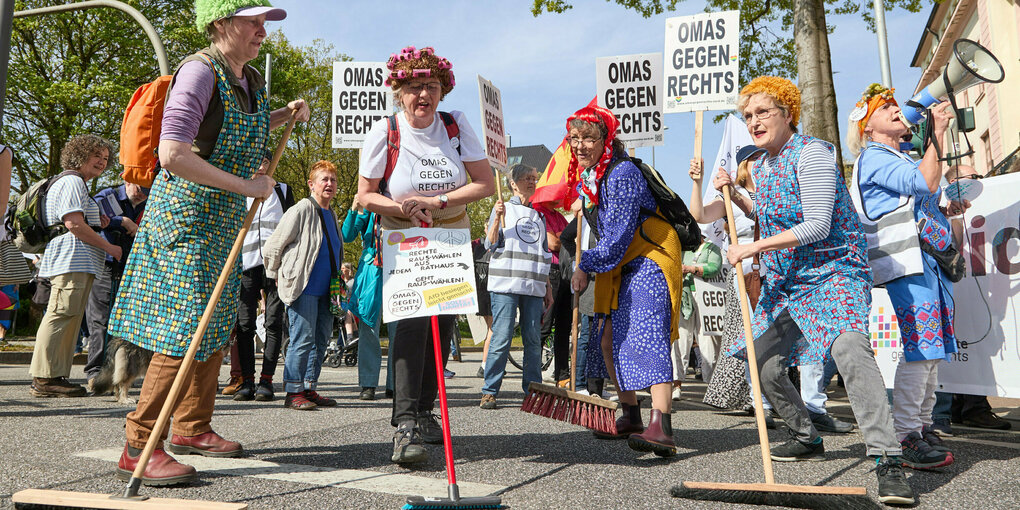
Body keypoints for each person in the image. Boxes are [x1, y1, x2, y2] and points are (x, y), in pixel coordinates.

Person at [109, 0, 309, 486]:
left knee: (215, 321)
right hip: (184, 222)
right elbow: (173, 153)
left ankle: (191, 426)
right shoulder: (200, 73)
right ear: (221, 22)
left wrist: (285, 113)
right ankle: (139, 444)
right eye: (253, 20)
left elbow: (239, 128)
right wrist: (246, 187)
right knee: (182, 329)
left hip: (219, 223)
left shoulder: (250, 79)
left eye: (266, 22)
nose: (263, 30)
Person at [721, 76, 913, 505]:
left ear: (788, 113)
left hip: (833, 273)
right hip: (787, 283)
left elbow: (816, 225)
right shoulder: (765, 166)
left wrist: (752, 246)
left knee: (849, 348)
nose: (753, 121)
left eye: (763, 112)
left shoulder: (814, 155)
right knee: (764, 364)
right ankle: (805, 435)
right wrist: (735, 196)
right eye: (748, 115)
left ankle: (888, 460)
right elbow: (769, 211)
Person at [357, 45, 494, 465]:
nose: (424, 95)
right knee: (412, 328)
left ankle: (426, 410)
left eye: (432, 87)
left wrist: (436, 201)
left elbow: (484, 184)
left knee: (443, 326)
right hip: (405, 241)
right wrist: (403, 206)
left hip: (449, 238)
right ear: (399, 91)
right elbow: (364, 197)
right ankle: (405, 424)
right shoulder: (385, 131)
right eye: (415, 87)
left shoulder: (456, 126)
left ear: (442, 91)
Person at [846, 83, 959, 469]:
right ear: (867, 128)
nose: (896, 112)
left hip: (924, 261)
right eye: (885, 109)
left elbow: (926, 189)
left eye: (897, 108)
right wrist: (938, 132)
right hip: (906, 264)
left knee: (934, 351)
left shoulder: (893, 151)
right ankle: (907, 434)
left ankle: (923, 425)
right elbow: (925, 182)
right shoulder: (876, 156)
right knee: (923, 347)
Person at [567, 101, 683, 457]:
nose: (580, 145)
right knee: (606, 339)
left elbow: (615, 239)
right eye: (575, 138)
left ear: (606, 139)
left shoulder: (622, 174)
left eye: (589, 138)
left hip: (651, 253)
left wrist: (585, 264)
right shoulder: (591, 180)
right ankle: (630, 414)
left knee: (645, 331)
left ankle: (660, 424)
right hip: (619, 260)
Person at [29, 135, 121, 398]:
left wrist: (97, 221)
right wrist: (109, 248)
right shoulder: (72, 181)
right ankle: (45, 379)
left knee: (67, 317)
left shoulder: (74, 183)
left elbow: (77, 221)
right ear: (79, 155)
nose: (102, 162)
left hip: (75, 260)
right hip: (71, 259)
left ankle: (55, 375)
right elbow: (73, 224)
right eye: (96, 156)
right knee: (61, 315)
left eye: (105, 158)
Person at [263, 160, 341, 411]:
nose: (329, 184)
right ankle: (293, 390)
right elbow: (274, 245)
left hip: (329, 290)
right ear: (311, 184)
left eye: (332, 180)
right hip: (304, 287)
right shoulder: (301, 209)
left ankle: (309, 386)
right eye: (324, 179)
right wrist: (274, 274)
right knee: (302, 339)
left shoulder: (332, 213)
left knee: (320, 340)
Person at [480, 164, 554, 410]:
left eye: (534, 178)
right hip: (505, 285)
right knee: (501, 337)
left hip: (533, 287)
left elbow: (543, 255)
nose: (532, 182)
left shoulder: (540, 216)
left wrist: (548, 287)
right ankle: (490, 391)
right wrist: (496, 220)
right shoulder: (503, 209)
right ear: (513, 183)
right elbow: (489, 244)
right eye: (527, 178)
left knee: (533, 340)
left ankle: (532, 391)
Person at [222, 152, 294, 401]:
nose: (261, 167)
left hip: (275, 267)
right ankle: (246, 381)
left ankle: (267, 381)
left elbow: (291, 230)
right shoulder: (238, 189)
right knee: (244, 324)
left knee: (273, 322)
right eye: (256, 162)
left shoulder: (283, 191)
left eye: (266, 161)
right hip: (246, 265)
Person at [83, 179, 148, 392]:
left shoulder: (150, 202)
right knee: (100, 320)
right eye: (139, 188)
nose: (142, 195)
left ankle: (122, 375)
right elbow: (95, 219)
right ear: (128, 180)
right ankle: (96, 373)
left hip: (132, 268)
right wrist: (124, 221)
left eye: (147, 191)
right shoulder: (107, 196)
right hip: (106, 264)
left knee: (127, 324)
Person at [341, 195, 392, 401]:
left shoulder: (402, 197)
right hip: (372, 268)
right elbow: (347, 234)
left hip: (400, 265)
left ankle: (396, 383)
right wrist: (354, 208)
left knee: (401, 327)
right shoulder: (369, 205)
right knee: (369, 326)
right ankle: (368, 383)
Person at [672, 236, 721, 398]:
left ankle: (712, 386)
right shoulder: (679, 248)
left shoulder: (711, 248)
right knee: (680, 340)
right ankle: (676, 384)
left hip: (705, 298)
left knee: (707, 341)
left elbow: (715, 267)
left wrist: (691, 269)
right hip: (683, 295)